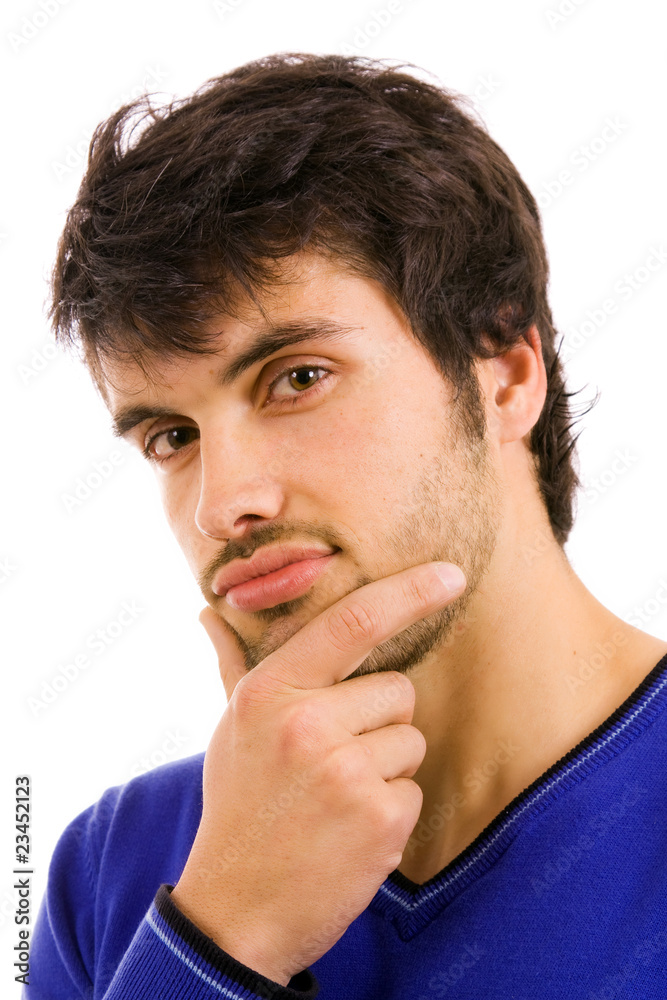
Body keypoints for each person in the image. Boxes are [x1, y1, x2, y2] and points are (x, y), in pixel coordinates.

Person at [30, 52, 667, 999]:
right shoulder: (114, 870)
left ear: (506, 373)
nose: (222, 504)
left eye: (296, 378)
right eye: (172, 435)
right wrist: (220, 938)